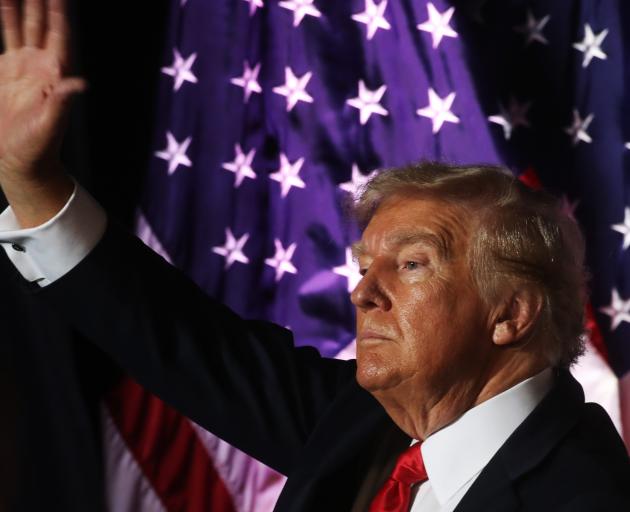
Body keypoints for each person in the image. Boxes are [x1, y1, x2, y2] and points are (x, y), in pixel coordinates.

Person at [0, 1, 628, 511]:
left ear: (511, 312)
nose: (362, 294)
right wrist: (33, 184)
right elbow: (179, 340)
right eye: (364, 268)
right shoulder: (358, 424)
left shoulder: (585, 495)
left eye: (410, 265)